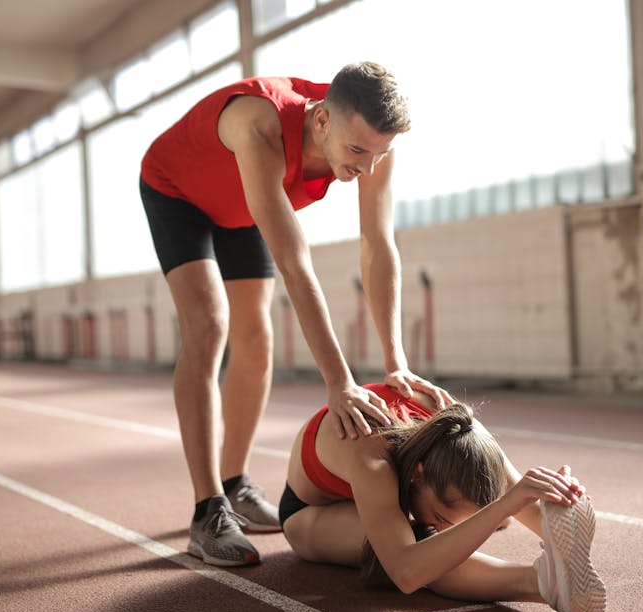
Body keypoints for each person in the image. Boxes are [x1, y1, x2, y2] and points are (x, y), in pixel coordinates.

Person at [139, 62, 453, 566]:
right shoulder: (259, 124)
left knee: (257, 335)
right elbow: (293, 261)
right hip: (179, 192)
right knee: (210, 324)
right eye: (357, 153)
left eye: (379, 156)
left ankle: (235, 480)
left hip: (243, 202)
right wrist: (339, 382)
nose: (366, 170)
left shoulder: (370, 142)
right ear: (322, 120)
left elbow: (378, 245)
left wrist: (396, 362)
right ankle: (207, 509)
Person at [279, 383, 607, 612]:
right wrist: (504, 506)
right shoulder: (372, 460)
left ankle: (555, 578)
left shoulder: (463, 433)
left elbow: (526, 503)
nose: (442, 526)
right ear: (417, 476)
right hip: (311, 512)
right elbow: (406, 573)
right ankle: (543, 582)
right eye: (439, 516)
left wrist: (559, 500)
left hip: (389, 490)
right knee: (421, 549)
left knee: (453, 531)